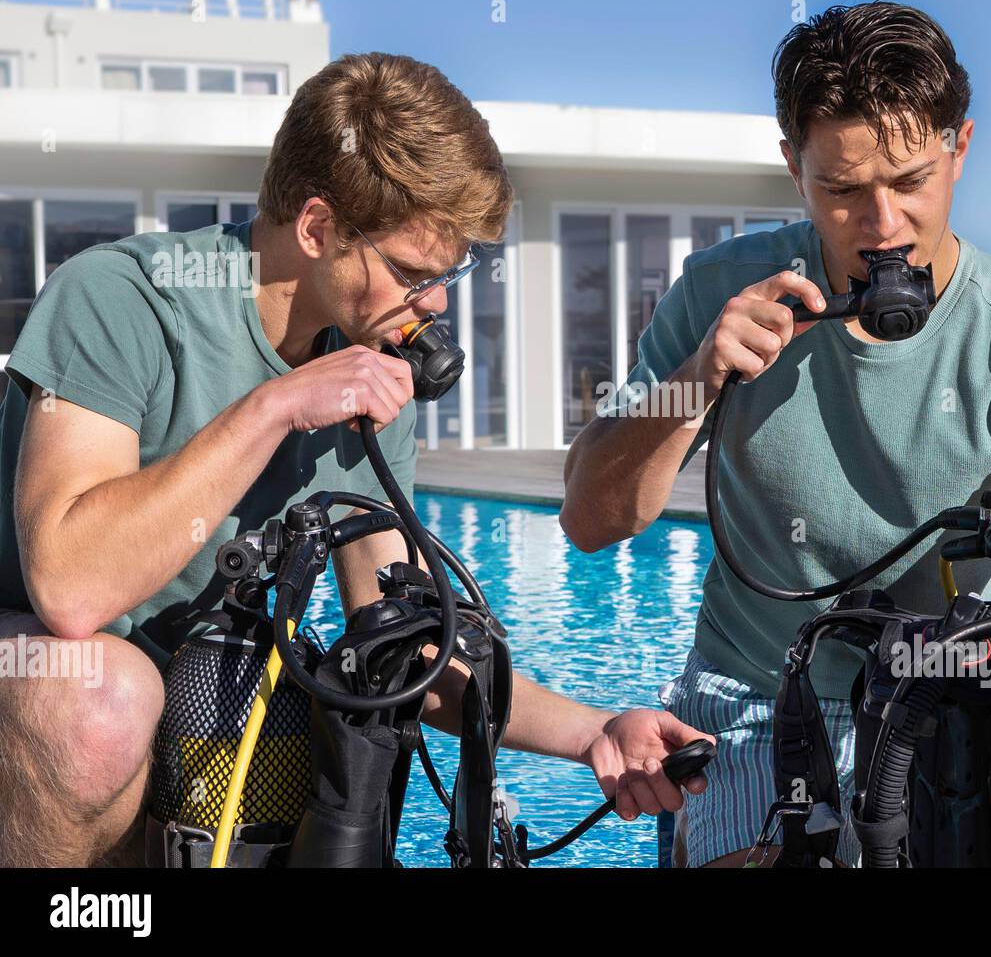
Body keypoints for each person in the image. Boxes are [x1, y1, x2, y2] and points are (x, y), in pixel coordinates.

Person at [0, 52, 710, 868]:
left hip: (204, 719)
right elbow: (70, 588)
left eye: (452, 273)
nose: (438, 303)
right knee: (100, 701)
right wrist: (271, 407)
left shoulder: (368, 372)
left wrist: (595, 734)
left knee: (323, 710)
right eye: (413, 272)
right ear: (315, 229)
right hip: (42, 695)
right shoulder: (121, 299)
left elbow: (405, 642)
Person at [561, 1, 991, 868]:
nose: (882, 226)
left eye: (910, 180)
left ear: (960, 148)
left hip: (943, 697)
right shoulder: (720, 292)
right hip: (754, 699)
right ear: (793, 168)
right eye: (843, 190)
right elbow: (592, 522)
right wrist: (694, 380)